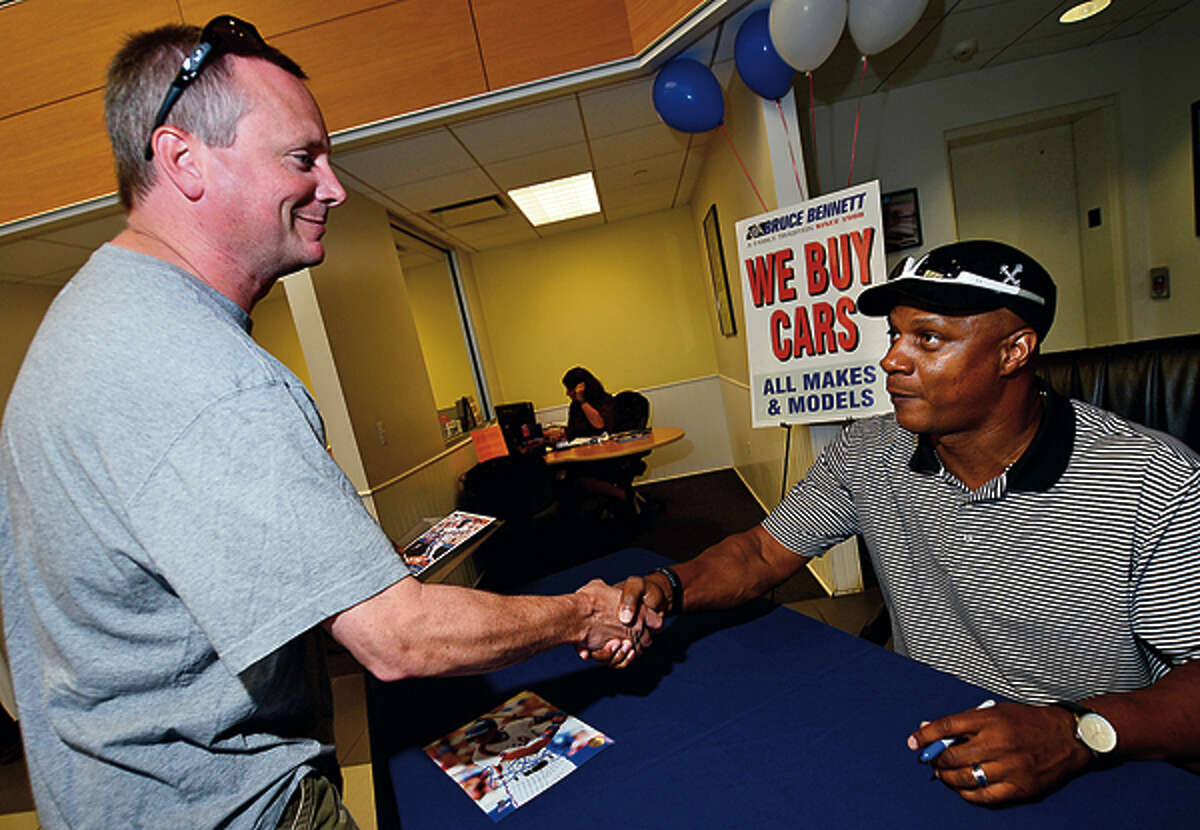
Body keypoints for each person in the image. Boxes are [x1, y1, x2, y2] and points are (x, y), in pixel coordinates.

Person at [0, 19, 653, 830]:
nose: (335, 188)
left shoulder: (90, 319)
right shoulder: (207, 375)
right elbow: (399, 638)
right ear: (183, 161)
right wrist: (582, 613)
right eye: (302, 158)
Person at [607, 240, 1200, 805]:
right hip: (927, 729)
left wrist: (1075, 733)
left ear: (1013, 352)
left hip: (1092, 756)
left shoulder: (1157, 480)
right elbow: (763, 554)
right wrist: (669, 586)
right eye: (895, 335)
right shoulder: (869, 451)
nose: (891, 358)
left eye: (929, 338)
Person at [562, 366, 615, 439]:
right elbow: (572, 432)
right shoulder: (575, 405)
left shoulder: (604, 399)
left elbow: (600, 425)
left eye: (569, 389)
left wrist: (583, 401)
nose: (567, 393)